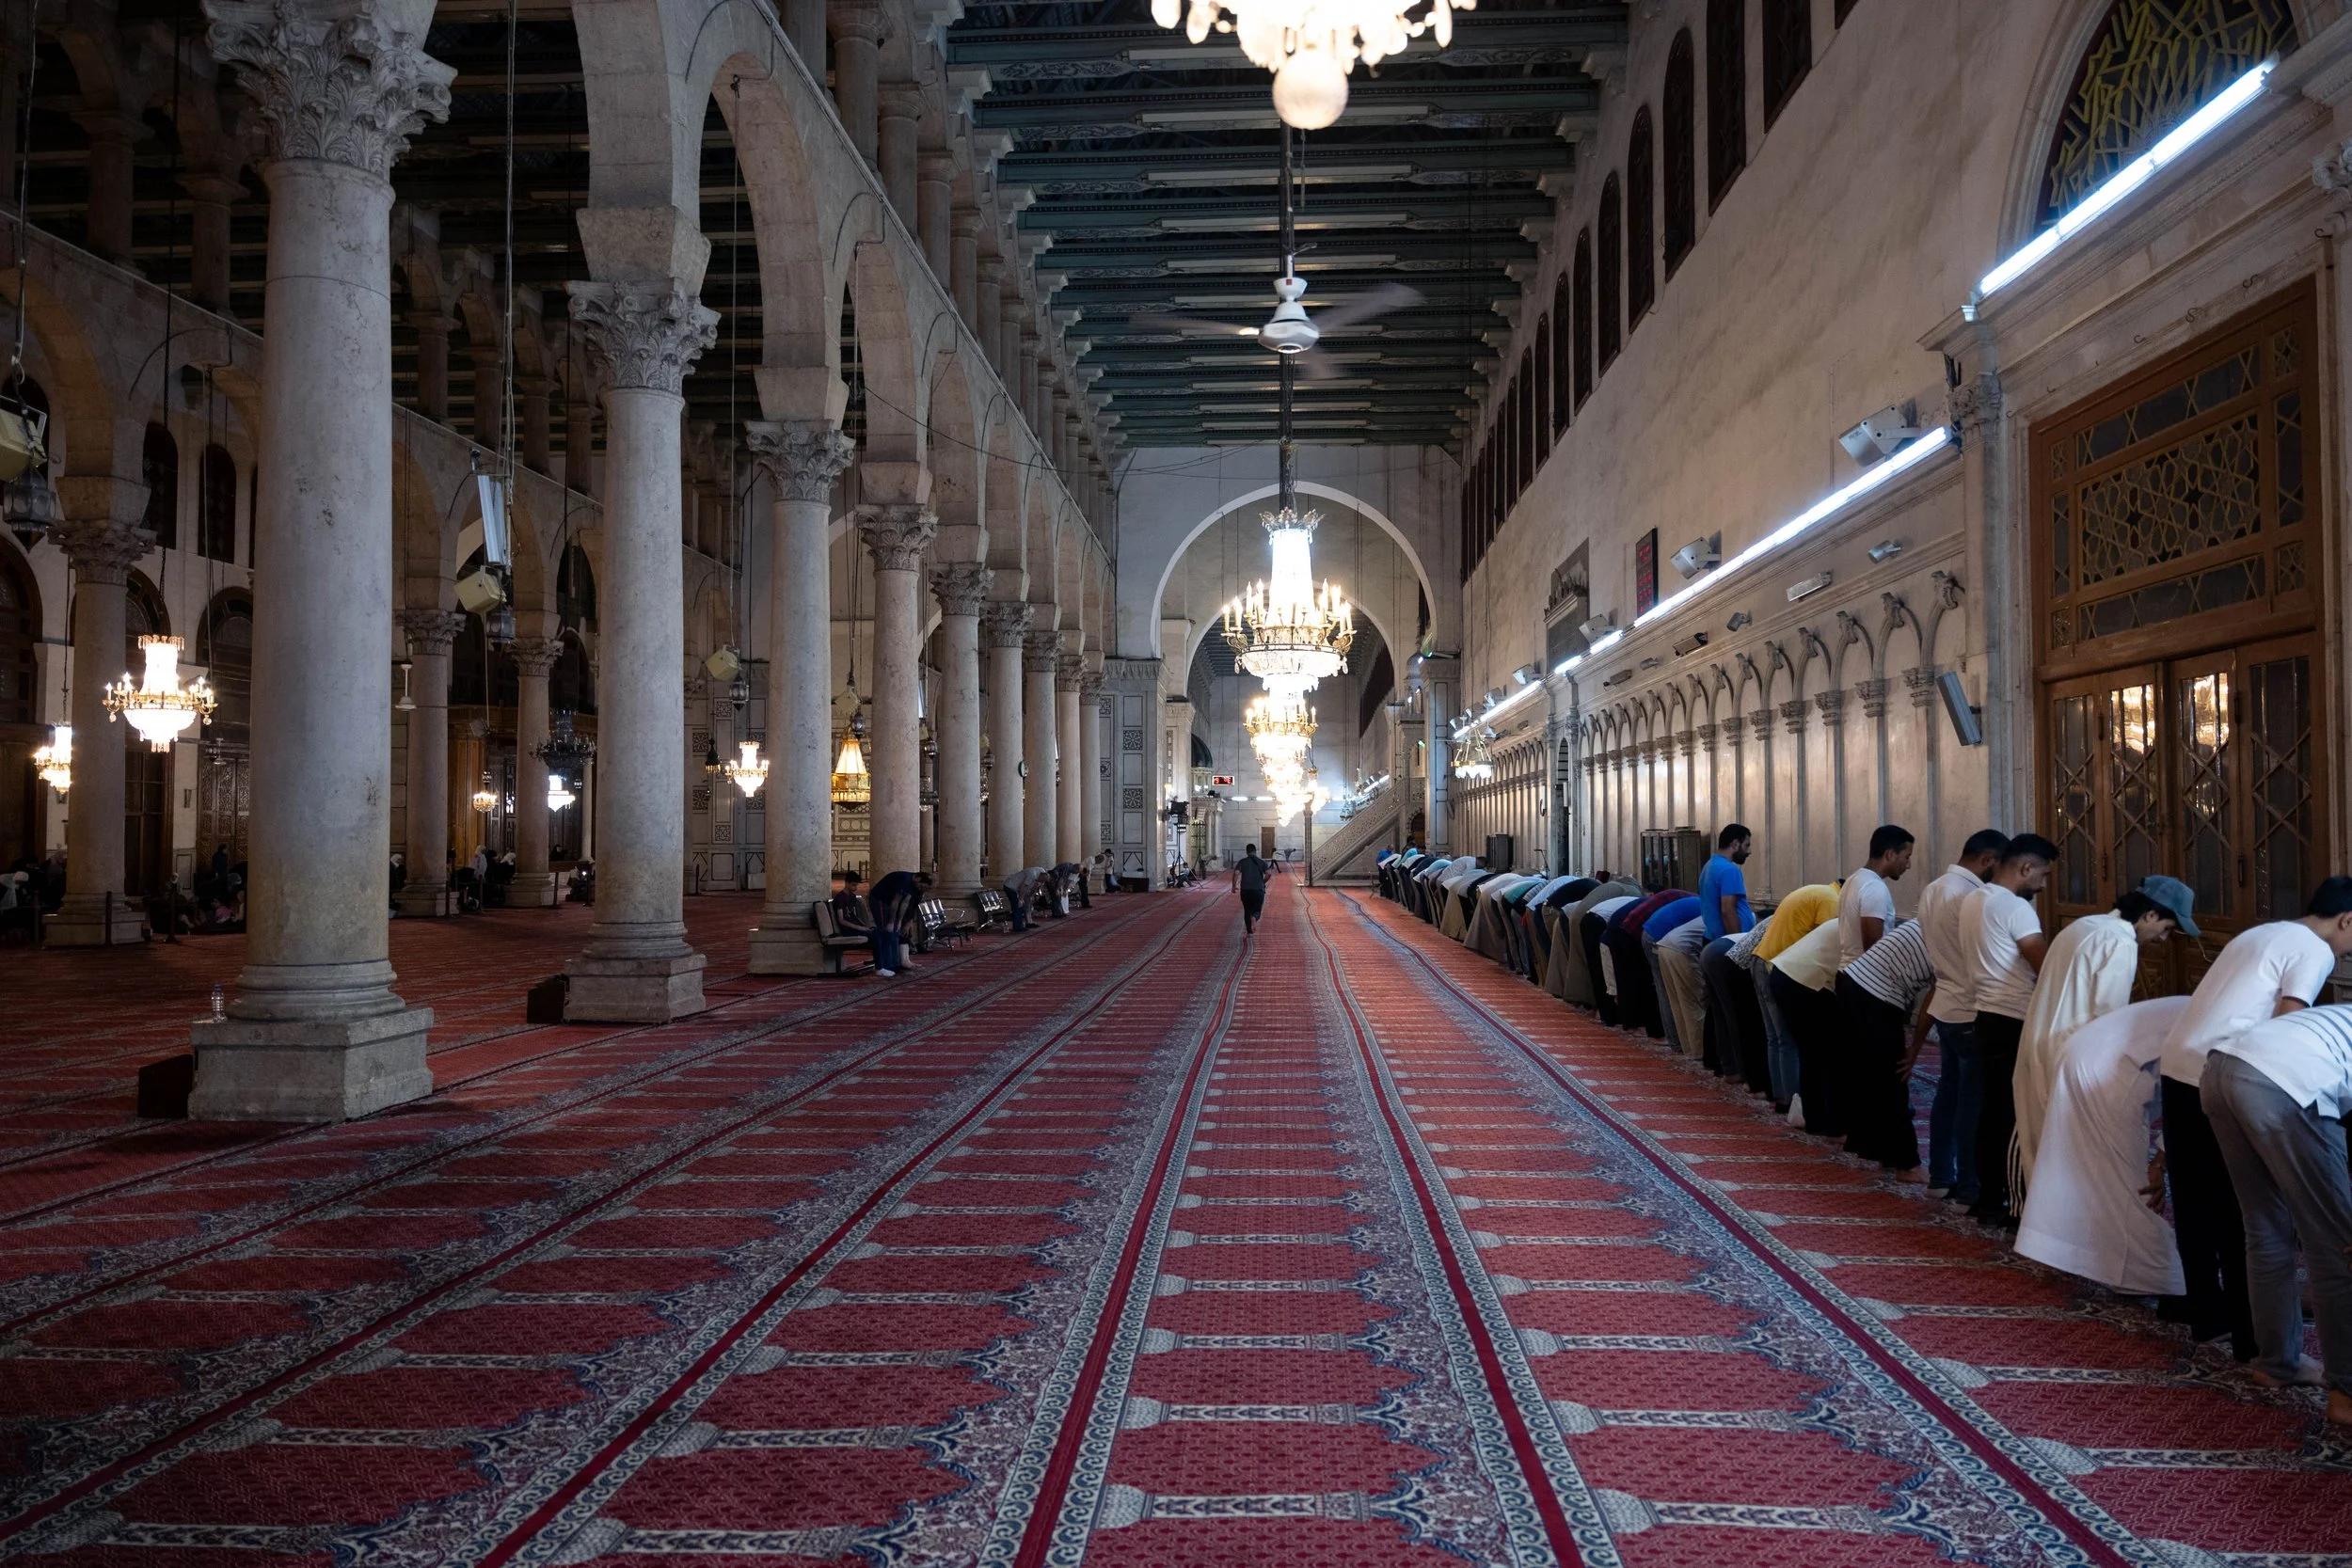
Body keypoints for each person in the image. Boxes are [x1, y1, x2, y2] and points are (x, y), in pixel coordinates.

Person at [2156, 877, 2352, 1356]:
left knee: (2194, 1200)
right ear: (2348, 919)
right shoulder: (2314, 949)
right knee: (2246, 1210)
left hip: (2180, 1063)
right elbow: (2287, 1025)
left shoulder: (2260, 932)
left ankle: (2204, 1310)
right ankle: (2253, 1336)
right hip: (2233, 1069)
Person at [2200, 1003, 2352, 1422]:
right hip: (2283, 1082)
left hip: (2221, 1069)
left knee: (2265, 1227)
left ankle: (2276, 1363)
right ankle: (2347, 1393)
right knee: (2337, 1245)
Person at [2011, 879, 2194, 1200]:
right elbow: (2108, 1021)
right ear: (2150, 915)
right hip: (2071, 1057)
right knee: (2071, 1162)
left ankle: (2038, 1235)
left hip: (2038, 1045)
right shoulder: (2120, 943)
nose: (2163, 940)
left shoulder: (2085, 925)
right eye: (2167, 928)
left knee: (2040, 1151)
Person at [2014, 996, 2189, 1298]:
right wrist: (2160, 1161)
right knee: (2124, 1183)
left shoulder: (2204, 1005)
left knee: (2089, 1166)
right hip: (2108, 1068)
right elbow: (2190, 1103)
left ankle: (2092, 1257)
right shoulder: (2235, 1026)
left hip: (2083, 1051)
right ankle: (2162, 1277)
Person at [1963, 833, 2059, 1227]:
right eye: (2044, 875)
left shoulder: (1974, 899)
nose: (2044, 885)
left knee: (1992, 1111)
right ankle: (2014, 1204)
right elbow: (2047, 966)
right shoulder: (2015, 908)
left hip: (1985, 1014)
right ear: (2025, 868)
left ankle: (1989, 1196)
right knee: (2018, 1117)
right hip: (2014, 1018)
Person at [1918, 830, 2010, 1204]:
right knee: (1973, 1101)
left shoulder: (1933, 888)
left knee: (1949, 1095)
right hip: (1972, 1008)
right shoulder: (1974, 896)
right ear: (1988, 860)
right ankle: (1971, 1185)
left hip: (1946, 1005)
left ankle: (1941, 1175)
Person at [1835, 914, 1937, 1179]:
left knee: (1871, 1073)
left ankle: (1873, 1148)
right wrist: (1914, 1048)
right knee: (1893, 1077)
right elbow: (1934, 1002)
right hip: (1876, 994)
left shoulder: (1937, 915)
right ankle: (1907, 1164)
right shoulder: (1955, 935)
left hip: (1854, 983)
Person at [1751, 881, 1841, 1114]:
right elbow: (1825, 945)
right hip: (1778, 966)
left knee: (1774, 1038)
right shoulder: (1831, 900)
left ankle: (1780, 1097)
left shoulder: (1815, 891)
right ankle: (1794, 1103)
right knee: (1787, 1039)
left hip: (1761, 961)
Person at [1769, 916, 1847, 1134]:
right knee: (1828, 1053)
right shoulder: (1863, 926)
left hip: (1784, 974)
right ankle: (1832, 1123)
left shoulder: (1846, 919)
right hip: (1804, 981)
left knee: (1811, 1053)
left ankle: (1816, 1120)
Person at [1840, 825, 1915, 969]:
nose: (1908, 865)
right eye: (1907, 857)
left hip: (1849, 972)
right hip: (1865, 977)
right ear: (1890, 854)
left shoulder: (1854, 879)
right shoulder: (1874, 887)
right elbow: (1873, 949)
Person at [830, 870, 895, 976]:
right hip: (848, 930)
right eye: (853, 885)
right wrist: (860, 929)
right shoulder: (840, 898)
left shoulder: (852, 897)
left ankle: (884, 963)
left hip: (856, 928)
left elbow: (854, 916)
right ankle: (879, 967)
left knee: (885, 933)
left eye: (856, 885)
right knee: (876, 936)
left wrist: (865, 926)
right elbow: (842, 920)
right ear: (846, 883)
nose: (855, 888)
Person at [1698, 825, 1755, 941]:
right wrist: (1737, 944)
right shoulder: (1729, 870)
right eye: (1747, 845)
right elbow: (1728, 911)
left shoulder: (1709, 865)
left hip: (1712, 938)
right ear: (1735, 844)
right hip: (1727, 942)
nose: (1749, 851)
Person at [869, 869, 933, 970]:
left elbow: (905, 903)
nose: (920, 889)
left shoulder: (914, 885)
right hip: (879, 900)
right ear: (918, 879)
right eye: (921, 886)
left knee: (895, 931)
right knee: (886, 931)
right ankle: (885, 965)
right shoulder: (904, 880)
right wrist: (891, 922)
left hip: (889, 903)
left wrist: (899, 922)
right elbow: (896, 901)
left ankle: (895, 962)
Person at [1232, 846, 1270, 936]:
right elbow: (1269, 873)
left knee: (1247, 909)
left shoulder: (1242, 862)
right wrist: (1263, 882)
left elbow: (1236, 873)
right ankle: (1254, 917)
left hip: (1245, 890)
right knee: (1257, 908)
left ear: (1247, 852)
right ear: (1255, 851)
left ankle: (1249, 931)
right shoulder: (1262, 862)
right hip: (1258, 889)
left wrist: (1233, 886)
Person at [1004, 865, 1047, 932]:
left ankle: (1028, 923)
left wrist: (1031, 896)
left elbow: (1035, 886)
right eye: (1041, 881)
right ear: (1040, 877)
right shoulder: (1032, 875)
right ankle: (1018, 927)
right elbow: (1023, 887)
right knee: (1018, 905)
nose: (1041, 883)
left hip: (1018, 889)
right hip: (1011, 887)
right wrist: (1020, 899)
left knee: (1024, 904)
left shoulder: (1042, 873)